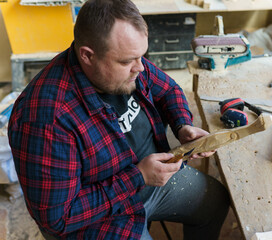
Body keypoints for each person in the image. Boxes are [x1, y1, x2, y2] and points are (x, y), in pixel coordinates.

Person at [8, 0, 230, 239]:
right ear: (87, 56)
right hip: (101, 218)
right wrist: (139, 177)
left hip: (151, 180)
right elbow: (58, 218)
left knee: (214, 201)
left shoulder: (132, 65)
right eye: (126, 61)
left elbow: (168, 90)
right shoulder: (45, 118)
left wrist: (182, 125)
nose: (141, 68)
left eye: (141, 56)